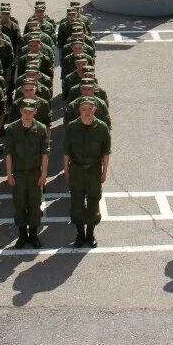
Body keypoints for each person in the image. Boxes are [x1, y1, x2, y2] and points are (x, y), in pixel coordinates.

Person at [64, 96, 111, 248]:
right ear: (79, 110)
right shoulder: (72, 127)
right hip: (77, 170)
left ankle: (90, 234)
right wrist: (66, 170)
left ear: (95, 109)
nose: (86, 112)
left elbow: (106, 151)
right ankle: (80, 234)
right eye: (83, 109)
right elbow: (66, 151)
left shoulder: (102, 127)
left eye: (89, 109)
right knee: (76, 204)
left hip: (93, 170)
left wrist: (104, 171)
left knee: (93, 203)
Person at [4, 98, 47, 249]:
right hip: (19, 174)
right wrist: (9, 174)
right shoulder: (12, 129)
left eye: (31, 111)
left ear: (35, 111)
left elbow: (44, 153)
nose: (28, 114)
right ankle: (22, 235)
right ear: (20, 111)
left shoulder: (41, 128)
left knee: (35, 205)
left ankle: (33, 235)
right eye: (25, 111)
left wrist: (44, 174)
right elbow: (8, 153)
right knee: (20, 204)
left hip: (35, 173)